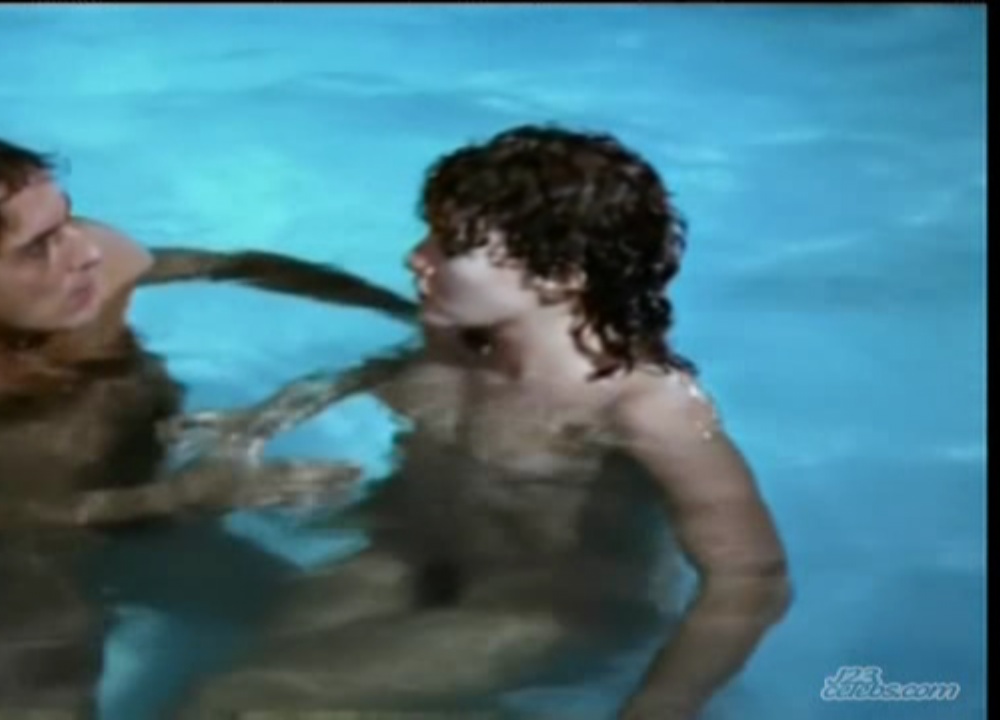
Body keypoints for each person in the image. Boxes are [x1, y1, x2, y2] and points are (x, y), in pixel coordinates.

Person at [0, 127, 421, 715]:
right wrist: (168, 497)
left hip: (157, 519)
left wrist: (407, 315)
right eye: (38, 247)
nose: (87, 251)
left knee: (352, 648)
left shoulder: (99, 266)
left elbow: (233, 266)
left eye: (68, 219)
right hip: (6, 559)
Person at [172, 124, 793, 720]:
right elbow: (372, 372)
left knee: (239, 698)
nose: (415, 258)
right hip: (406, 554)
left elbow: (751, 579)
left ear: (560, 276)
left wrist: (658, 710)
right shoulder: (461, 341)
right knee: (241, 673)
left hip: (544, 607)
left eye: (450, 246)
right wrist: (256, 425)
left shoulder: (642, 406)